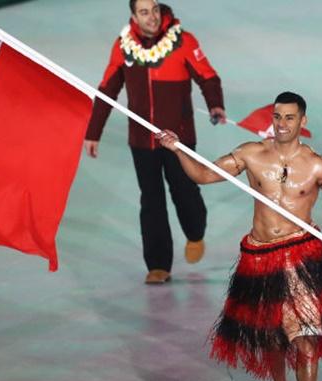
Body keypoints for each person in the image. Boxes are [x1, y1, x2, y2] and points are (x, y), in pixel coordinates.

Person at [157, 92, 322, 381]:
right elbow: (203, 174)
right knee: (271, 336)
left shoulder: (317, 165)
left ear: (302, 121)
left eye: (290, 118)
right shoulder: (252, 154)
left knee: (306, 337)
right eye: (277, 117)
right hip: (259, 257)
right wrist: (177, 150)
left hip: (302, 257)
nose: (282, 124)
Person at [84, 0, 227, 284]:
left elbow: (208, 76)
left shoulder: (183, 41)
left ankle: (195, 233)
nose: (151, 17)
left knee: (185, 192)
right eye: (144, 12)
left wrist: (215, 105)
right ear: (134, 16)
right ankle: (158, 265)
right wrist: (93, 132)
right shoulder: (123, 46)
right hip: (141, 140)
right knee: (151, 201)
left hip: (179, 139)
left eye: (155, 10)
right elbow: (107, 88)